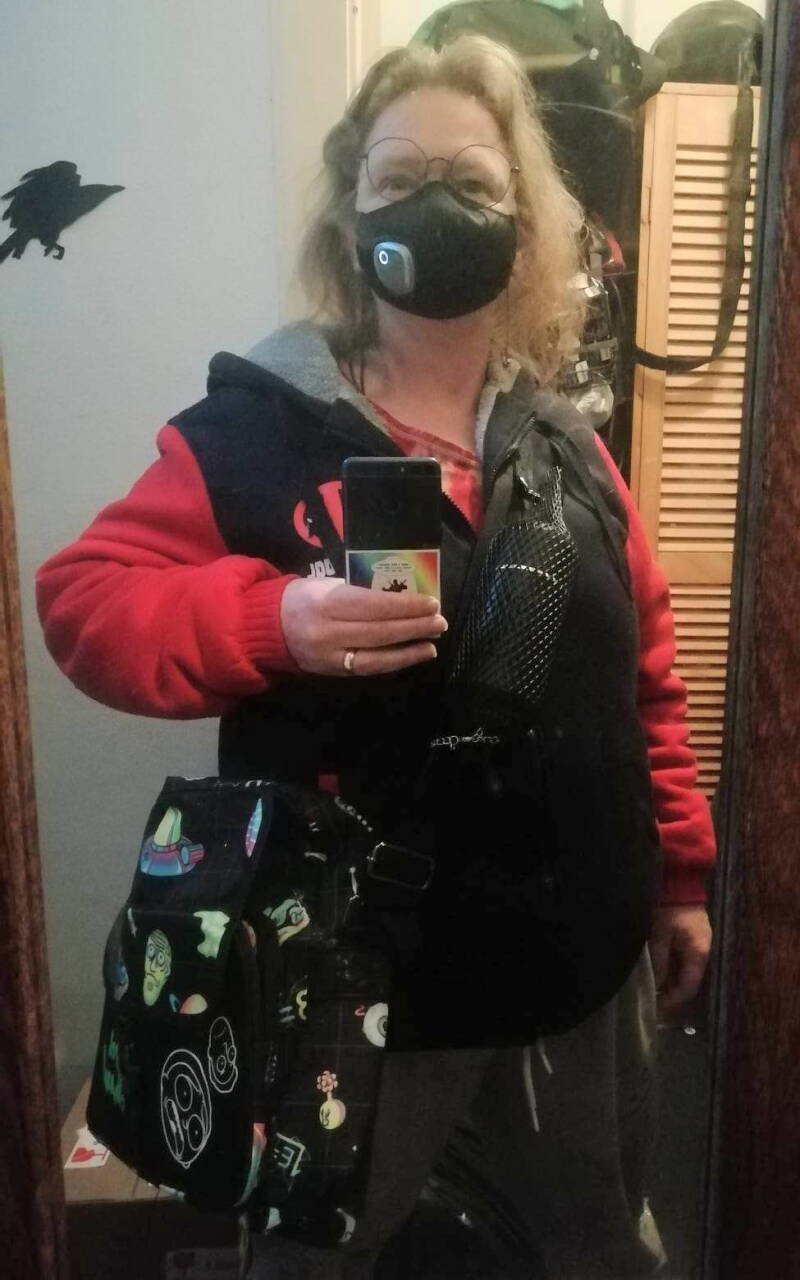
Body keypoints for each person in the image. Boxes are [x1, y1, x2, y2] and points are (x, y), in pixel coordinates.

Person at [37, 35, 716, 1280]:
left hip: (572, 967)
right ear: (351, 213)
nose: (434, 205)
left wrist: (678, 875)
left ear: (522, 222)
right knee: (314, 1265)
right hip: (349, 981)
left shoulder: (566, 444)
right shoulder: (253, 427)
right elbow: (83, 603)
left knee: (595, 1249)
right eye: (399, 175)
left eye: (471, 181)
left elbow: (644, 674)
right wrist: (273, 621)